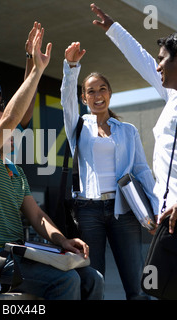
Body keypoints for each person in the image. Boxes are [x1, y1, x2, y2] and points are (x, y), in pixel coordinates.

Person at [0, 26, 104, 300]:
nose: (7, 132)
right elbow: (10, 120)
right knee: (65, 282)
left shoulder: (14, 170)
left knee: (93, 278)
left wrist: (62, 240)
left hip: (20, 253)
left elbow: (37, 217)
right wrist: (36, 70)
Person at [90, 3, 177, 234]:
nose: (158, 67)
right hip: (176, 223)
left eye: (162, 59)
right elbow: (142, 61)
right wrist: (114, 29)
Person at [60, 39, 158, 300]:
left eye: (102, 89)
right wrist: (71, 67)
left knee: (137, 286)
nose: (97, 95)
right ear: (84, 98)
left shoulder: (128, 131)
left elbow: (142, 171)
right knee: (94, 283)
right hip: (88, 210)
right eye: (91, 91)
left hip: (123, 210)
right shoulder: (78, 126)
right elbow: (66, 99)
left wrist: (156, 209)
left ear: (110, 93)